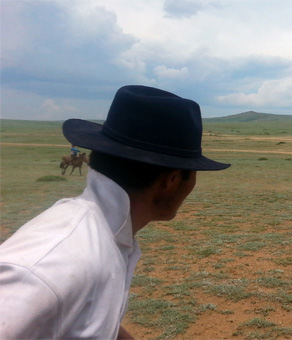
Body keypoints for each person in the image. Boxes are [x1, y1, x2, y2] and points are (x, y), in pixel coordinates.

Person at [0, 85, 230, 339]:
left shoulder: (103, 236)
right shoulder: (49, 266)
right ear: (171, 181)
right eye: (195, 172)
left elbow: (87, 319)